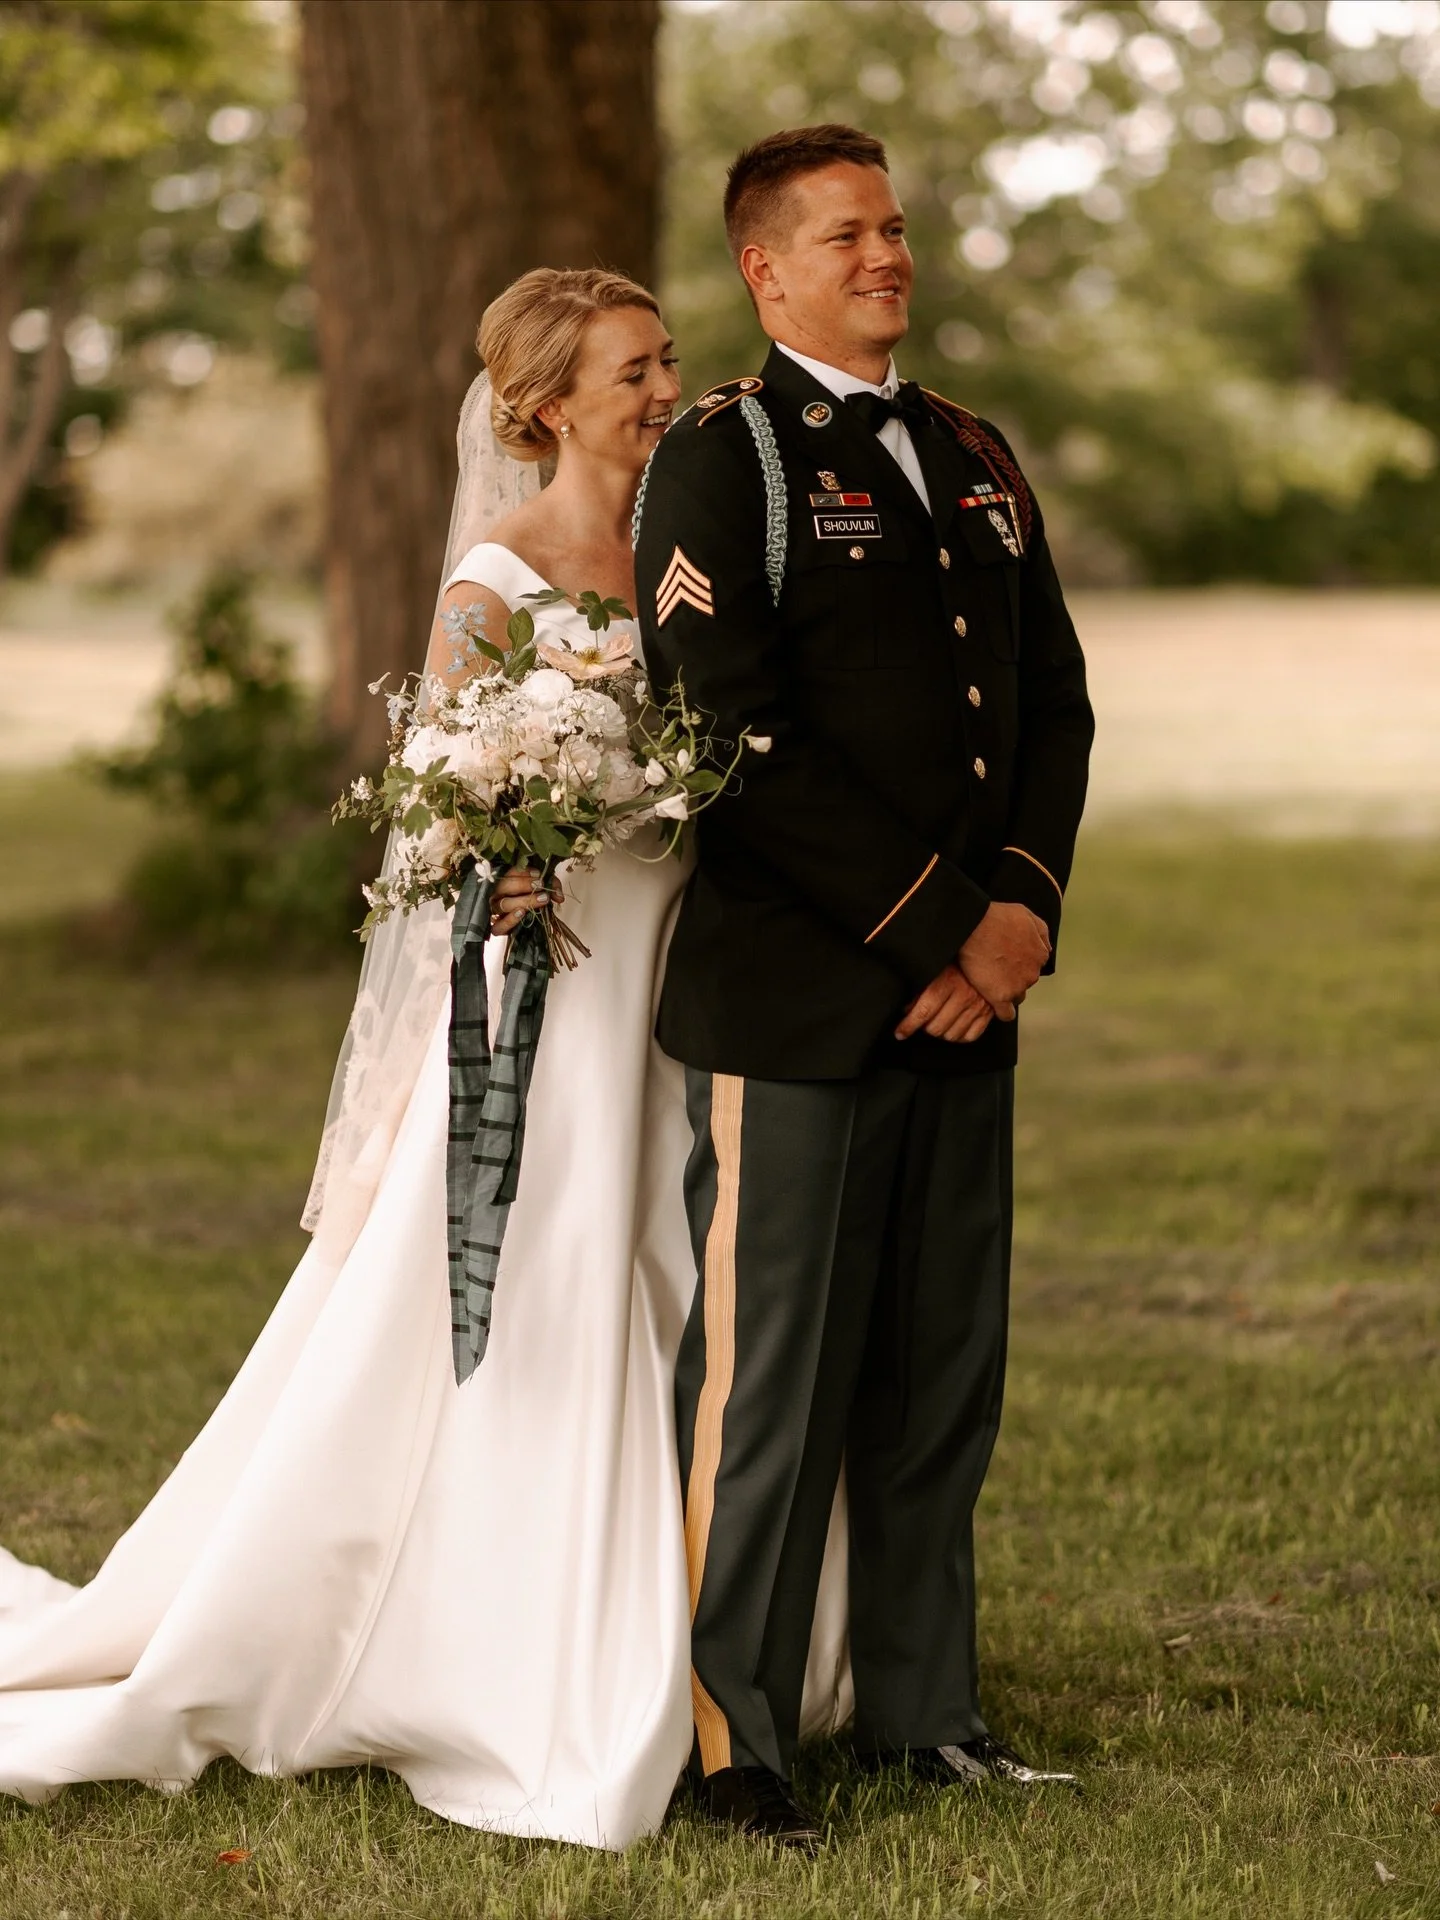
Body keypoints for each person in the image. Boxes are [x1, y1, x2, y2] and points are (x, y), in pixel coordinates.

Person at [0, 267, 848, 1849]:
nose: (667, 388)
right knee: (576, 1260)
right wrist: (508, 849)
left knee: (702, 1266)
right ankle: (534, 1654)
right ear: (540, 410)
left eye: (668, 360)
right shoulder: (494, 578)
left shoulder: (691, 542)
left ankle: (736, 1643)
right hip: (565, 983)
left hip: (693, 965)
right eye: (630, 371)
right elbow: (443, 798)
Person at [634, 125, 1095, 1845]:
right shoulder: (726, 458)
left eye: (895, 228)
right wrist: (940, 931)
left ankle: (923, 1714)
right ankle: (728, 1746)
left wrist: (1023, 917)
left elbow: (1053, 702)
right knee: (767, 1388)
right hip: (800, 1008)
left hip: (972, 999)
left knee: (936, 1376)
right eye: (848, 235)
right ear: (768, 269)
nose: (887, 257)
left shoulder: (974, 452)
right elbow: (730, 735)